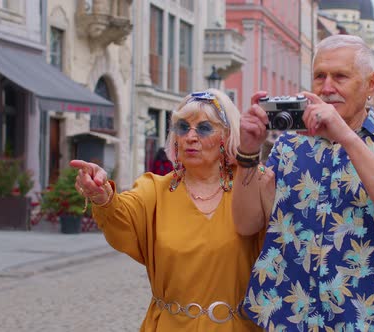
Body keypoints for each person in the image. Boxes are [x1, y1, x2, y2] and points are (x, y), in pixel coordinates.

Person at [232, 35, 374, 332]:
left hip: (364, 317)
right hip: (285, 314)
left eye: (340, 77)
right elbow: (246, 224)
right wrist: (248, 153)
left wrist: (346, 136)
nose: (327, 87)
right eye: (320, 76)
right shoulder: (288, 145)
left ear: (371, 84)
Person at [70, 89, 264, 331]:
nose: (191, 137)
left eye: (204, 128)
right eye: (183, 127)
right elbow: (120, 213)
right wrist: (102, 195)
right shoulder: (154, 190)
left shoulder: (249, 186)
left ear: (226, 135)